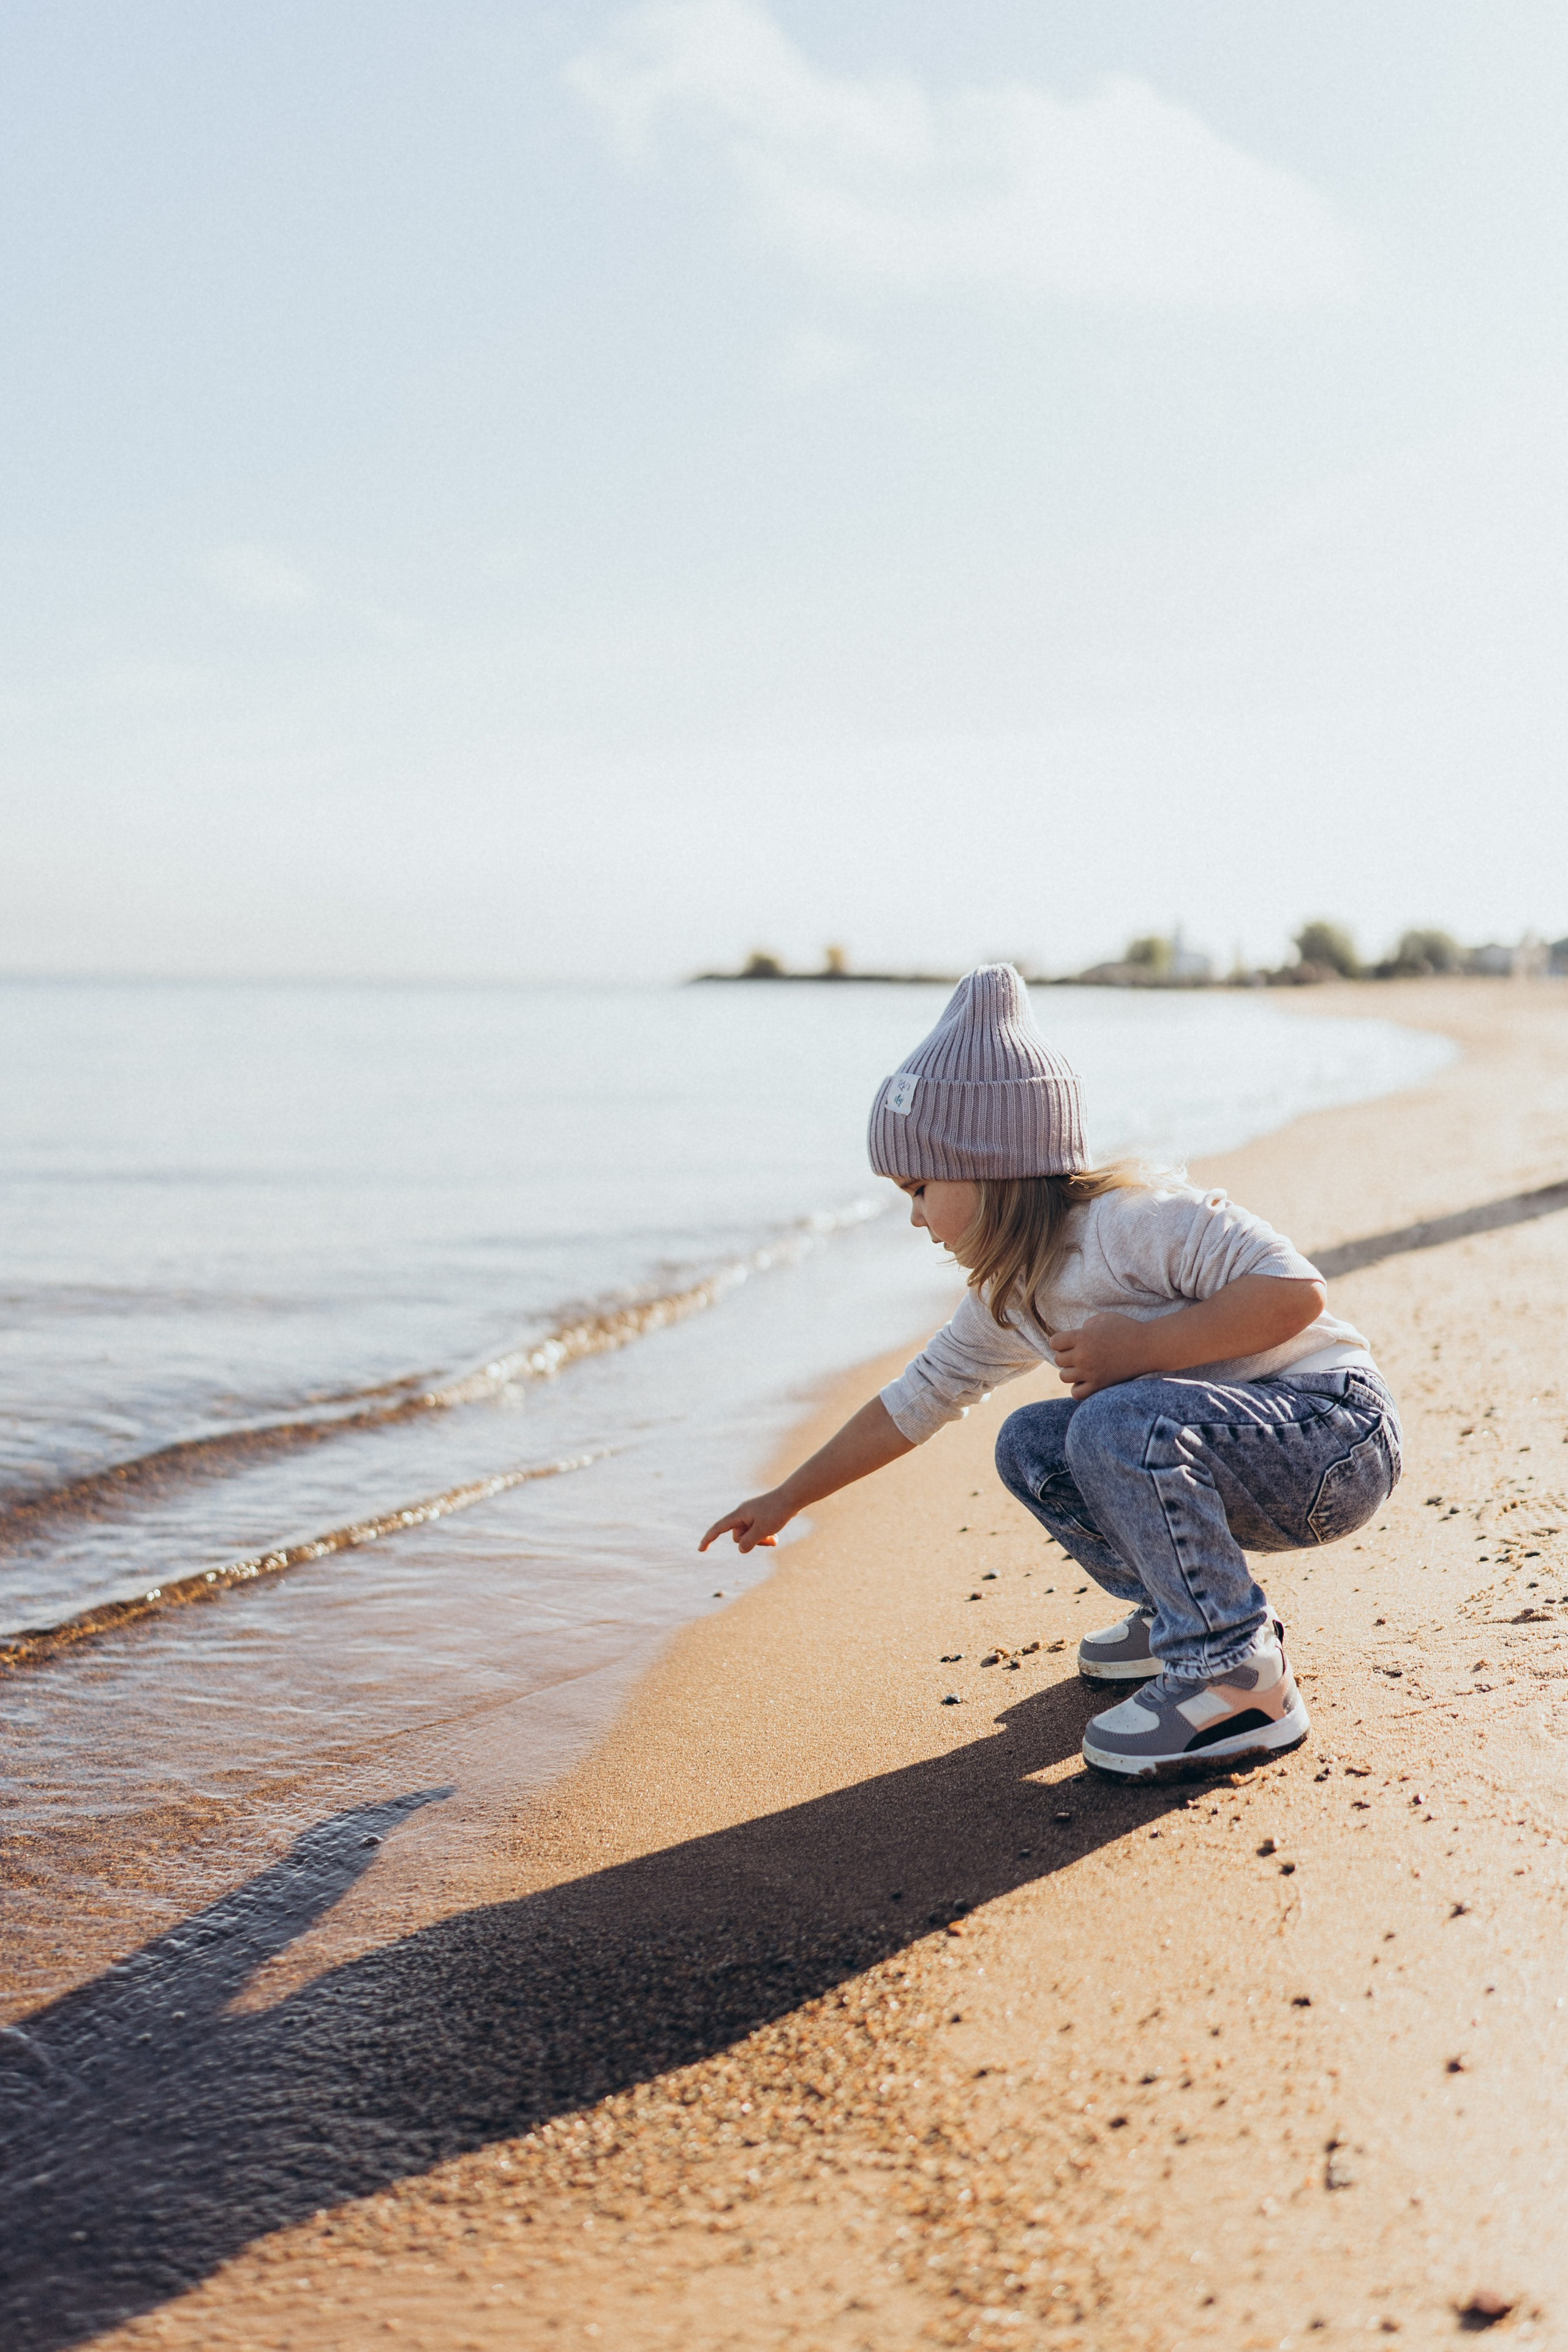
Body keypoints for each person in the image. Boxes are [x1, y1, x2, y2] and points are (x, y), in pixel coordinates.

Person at [699, 965, 1401, 1780]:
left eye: (922, 1186)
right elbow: (912, 1404)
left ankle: (1235, 1677)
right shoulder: (1013, 1297)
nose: (915, 1215)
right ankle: (1185, 1612)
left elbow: (1296, 1294)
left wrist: (1146, 1348)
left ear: (994, 1166)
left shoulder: (1133, 1225)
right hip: (1250, 1456)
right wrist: (787, 1496)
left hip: (1334, 1435)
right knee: (1032, 1440)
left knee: (1113, 1422)